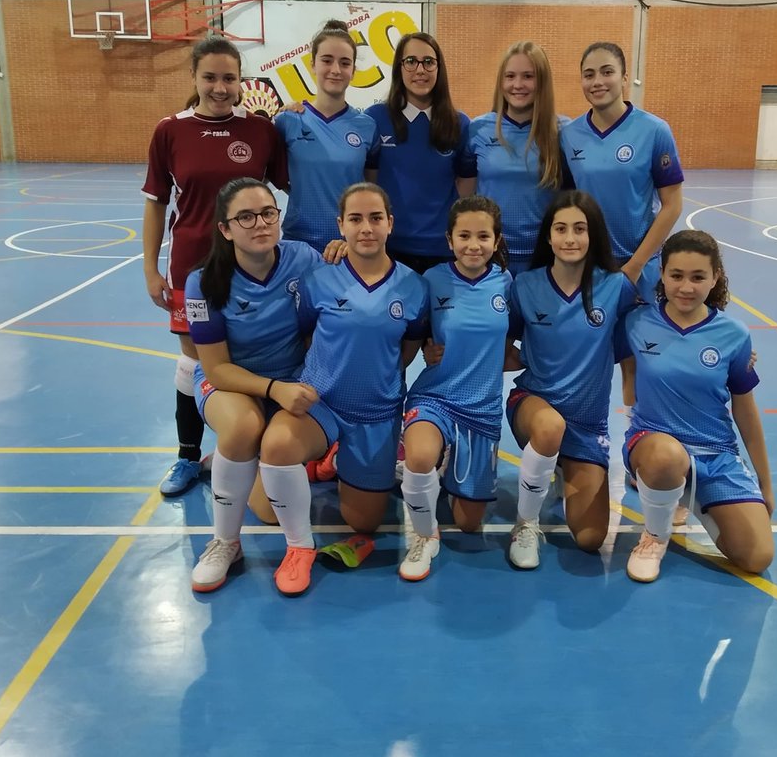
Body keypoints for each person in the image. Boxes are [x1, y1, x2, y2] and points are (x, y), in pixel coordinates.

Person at [258, 183, 428, 596]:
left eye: (375, 218)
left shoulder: (414, 287)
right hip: (322, 404)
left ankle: (328, 463)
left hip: (376, 413)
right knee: (267, 497)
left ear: (390, 223)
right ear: (341, 226)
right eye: (355, 219)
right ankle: (300, 547)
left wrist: (374, 377)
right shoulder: (319, 281)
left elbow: (409, 348)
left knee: (365, 523)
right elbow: (304, 337)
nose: (366, 228)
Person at [143, 37, 288, 497]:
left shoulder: (263, 131)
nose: (220, 87)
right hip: (193, 266)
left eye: (229, 78)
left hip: (253, 265)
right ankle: (188, 456)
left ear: (241, 80)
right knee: (196, 362)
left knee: (248, 355)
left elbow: (293, 183)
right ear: (194, 78)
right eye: (210, 77)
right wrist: (151, 267)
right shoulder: (170, 131)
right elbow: (155, 203)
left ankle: (247, 440)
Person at [183, 178, 324, 592]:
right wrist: (275, 389)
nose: (260, 223)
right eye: (245, 217)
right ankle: (225, 542)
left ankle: (242, 460)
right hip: (231, 385)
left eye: (267, 213)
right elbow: (216, 369)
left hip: (290, 381)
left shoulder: (305, 260)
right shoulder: (204, 282)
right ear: (225, 229)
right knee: (244, 426)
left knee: (266, 510)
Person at [619, 229, 774, 583]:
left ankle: (694, 496)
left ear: (715, 277)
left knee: (757, 556)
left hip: (715, 452)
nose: (686, 287)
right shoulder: (636, 322)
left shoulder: (733, 335)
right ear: (662, 275)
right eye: (676, 275)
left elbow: (745, 411)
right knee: (666, 457)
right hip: (653, 442)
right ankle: (654, 537)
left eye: (698, 277)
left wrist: (766, 483)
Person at [505, 190, 639, 570]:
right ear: (548, 237)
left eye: (579, 229)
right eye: (560, 229)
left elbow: (651, 332)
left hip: (587, 423)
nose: (569, 238)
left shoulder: (615, 288)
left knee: (591, 538)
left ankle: (561, 466)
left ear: (592, 235)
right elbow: (499, 346)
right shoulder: (525, 286)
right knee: (550, 427)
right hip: (534, 407)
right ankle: (525, 524)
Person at [397, 195, 513, 581]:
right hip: (437, 397)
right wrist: (428, 346)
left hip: (481, 408)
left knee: (468, 524)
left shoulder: (508, 284)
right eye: (464, 235)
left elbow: (525, 342)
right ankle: (424, 534)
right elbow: (409, 331)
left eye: (483, 236)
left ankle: (445, 468)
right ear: (449, 240)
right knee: (419, 457)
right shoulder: (431, 280)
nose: (473, 245)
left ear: (496, 242)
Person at [561, 42, 683, 301]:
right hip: (588, 266)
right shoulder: (569, 135)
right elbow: (567, 204)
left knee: (641, 340)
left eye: (607, 72)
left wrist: (635, 266)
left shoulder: (654, 130)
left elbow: (672, 205)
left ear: (625, 77)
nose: (597, 82)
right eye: (589, 74)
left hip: (640, 266)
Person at [366, 32, 476, 274]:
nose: (420, 70)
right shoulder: (375, 118)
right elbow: (370, 181)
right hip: (389, 249)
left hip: (442, 250)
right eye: (411, 61)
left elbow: (466, 182)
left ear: (439, 68)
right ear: (399, 67)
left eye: (428, 62)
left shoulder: (459, 123)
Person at [464, 41, 573, 274]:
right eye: (510, 76)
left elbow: (571, 200)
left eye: (528, 76)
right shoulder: (478, 129)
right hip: (489, 256)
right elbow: (464, 196)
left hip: (545, 259)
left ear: (542, 82)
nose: (517, 85)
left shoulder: (563, 132)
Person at [275, 19, 378, 253]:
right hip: (298, 244)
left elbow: (370, 190)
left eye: (344, 63)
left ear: (353, 70)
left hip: (349, 246)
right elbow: (272, 176)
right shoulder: (287, 121)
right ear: (312, 64)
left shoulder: (367, 126)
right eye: (327, 60)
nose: (335, 70)